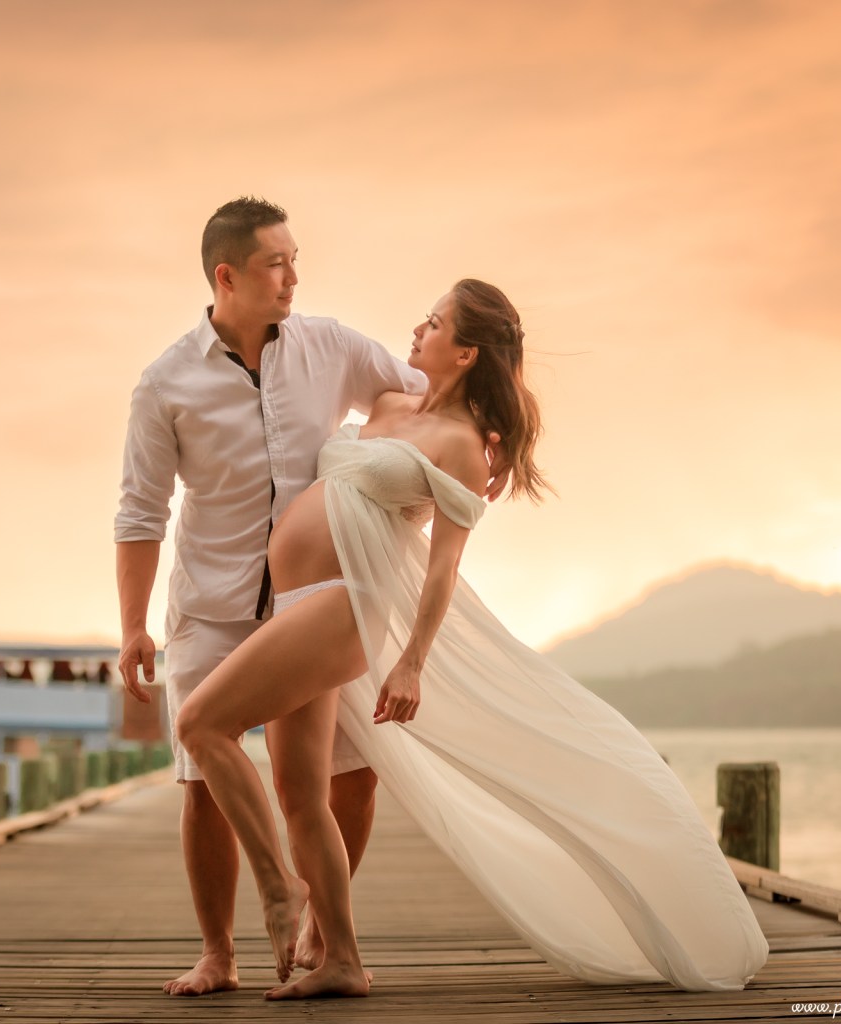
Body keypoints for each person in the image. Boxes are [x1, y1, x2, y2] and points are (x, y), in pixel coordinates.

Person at [175, 279, 771, 1000]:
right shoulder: (391, 403)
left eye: (434, 324)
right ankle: (342, 961)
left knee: (201, 721)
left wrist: (411, 664)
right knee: (302, 794)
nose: (417, 330)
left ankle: (276, 889)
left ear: (465, 352)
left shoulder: (462, 448)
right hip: (297, 600)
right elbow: (311, 375)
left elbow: (442, 567)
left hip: (343, 605)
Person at [115, 198, 503, 996]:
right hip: (213, 602)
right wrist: (132, 625)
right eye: (275, 264)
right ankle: (221, 953)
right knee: (201, 781)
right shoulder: (165, 383)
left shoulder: (331, 346)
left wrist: (483, 437)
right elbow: (139, 511)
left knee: (343, 778)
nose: (293, 276)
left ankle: (328, 938)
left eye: (295, 259)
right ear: (227, 276)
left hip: (319, 601)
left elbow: (426, 392)